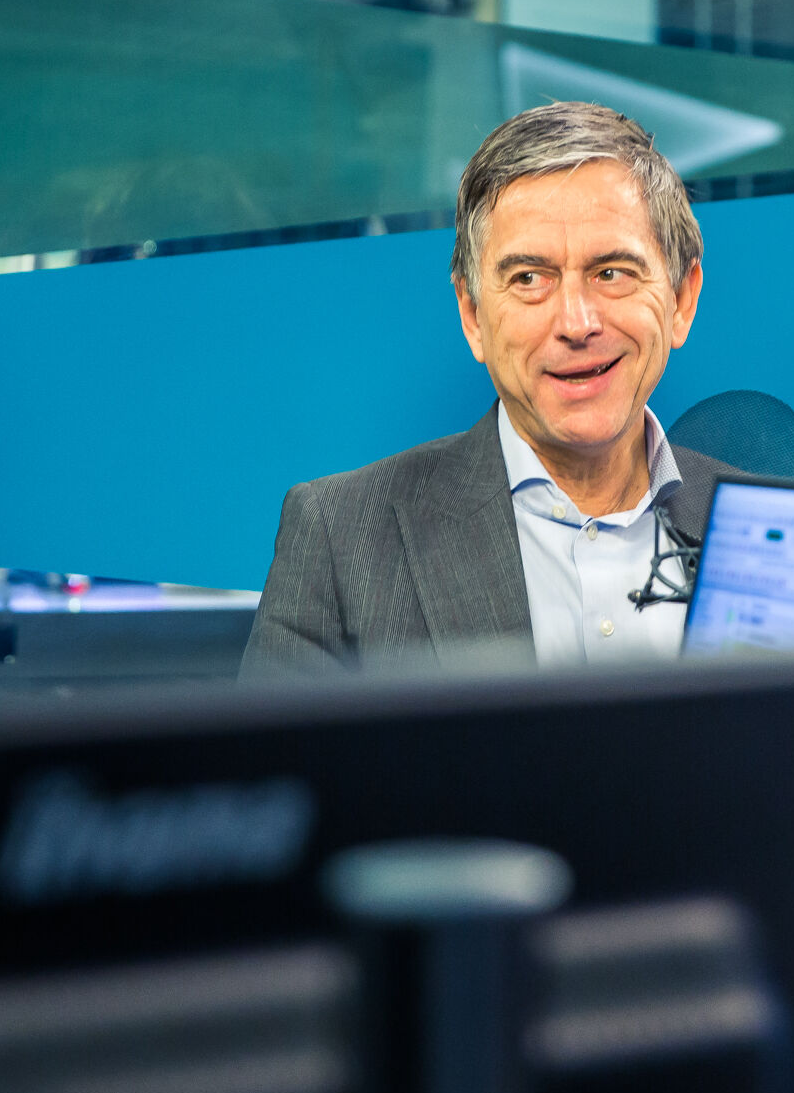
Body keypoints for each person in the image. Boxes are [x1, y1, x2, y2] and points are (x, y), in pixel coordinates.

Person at [240, 102, 740, 676]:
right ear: (473, 315)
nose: (577, 323)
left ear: (681, 300)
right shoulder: (339, 538)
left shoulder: (779, 533)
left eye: (611, 273)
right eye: (529, 278)